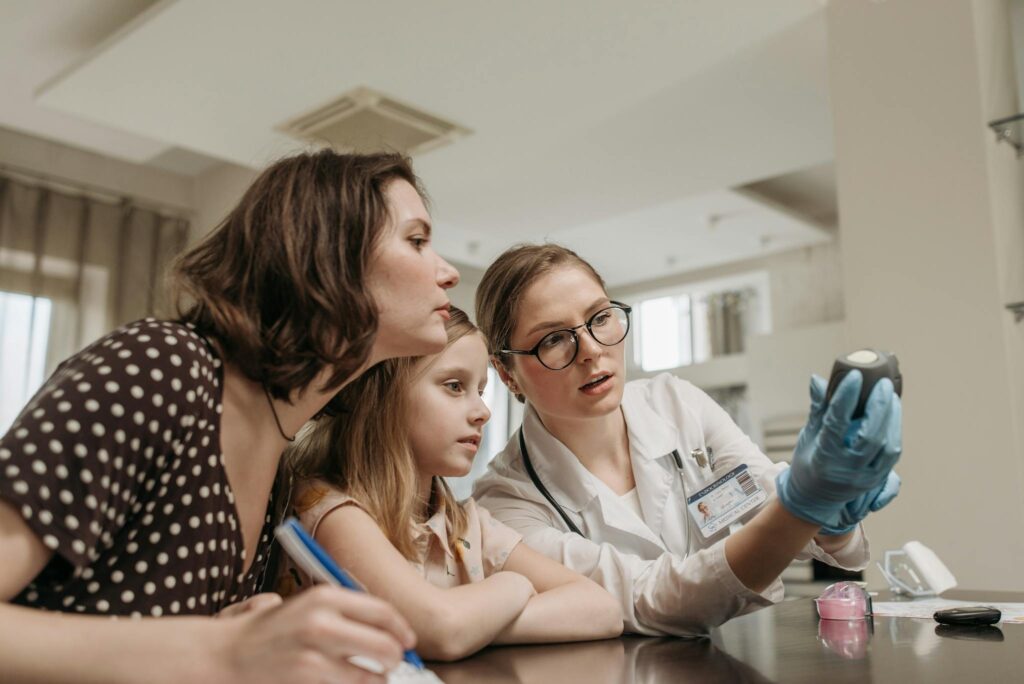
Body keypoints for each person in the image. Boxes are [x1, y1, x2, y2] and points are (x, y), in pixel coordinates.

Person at [0, 150, 461, 683]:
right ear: (329, 254)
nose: (447, 273)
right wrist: (219, 647)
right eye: (417, 240)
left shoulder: (276, 450)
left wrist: (239, 631)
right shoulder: (159, 366)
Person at [472, 243, 902, 636]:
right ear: (507, 372)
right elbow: (647, 597)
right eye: (553, 339)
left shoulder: (676, 403)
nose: (590, 349)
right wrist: (803, 507)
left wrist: (832, 523)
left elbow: (773, 502)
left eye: (600, 318)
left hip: (755, 654)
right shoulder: (505, 504)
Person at [284, 307, 623, 661]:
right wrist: (513, 585)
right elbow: (440, 629)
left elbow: (602, 608)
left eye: (479, 390)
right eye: (454, 386)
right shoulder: (326, 508)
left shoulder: (465, 524)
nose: (483, 412)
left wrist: (475, 625)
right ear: (383, 394)